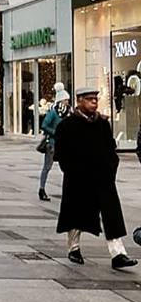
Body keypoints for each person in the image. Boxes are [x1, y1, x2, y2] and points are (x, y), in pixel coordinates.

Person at [54, 87, 137, 270]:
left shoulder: (102, 124)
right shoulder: (67, 125)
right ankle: (74, 248)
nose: (94, 102)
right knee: (76, 213)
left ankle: (118, 254)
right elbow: (60, 153)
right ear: (79, 101)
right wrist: (71, 170)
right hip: (78, 179)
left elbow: (110, 149)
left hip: (102, 178)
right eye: (89, 99)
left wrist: (110, 168)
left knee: (111, 215)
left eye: (95, 99)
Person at [38, 83, 71, 202]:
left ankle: (69, 191)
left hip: (65, 144)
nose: (67, 102)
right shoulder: (53, 113)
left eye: (67, 100)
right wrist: (55, 132)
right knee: (47, 167)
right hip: (52, 144)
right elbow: (44, 125)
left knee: (67, 168)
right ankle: (42, 189)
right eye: (65, 100)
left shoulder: (68, 113)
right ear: (60, 101)